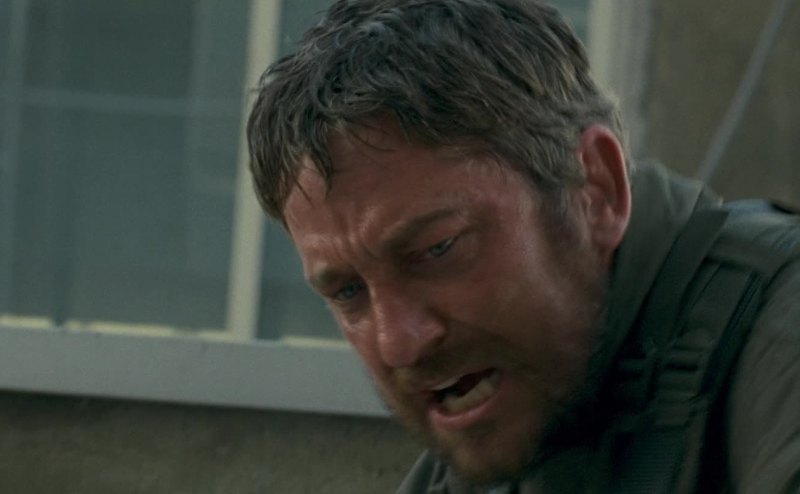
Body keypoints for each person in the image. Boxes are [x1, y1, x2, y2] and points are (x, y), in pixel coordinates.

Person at [246, 0, 800, 492]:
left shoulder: (776, 343)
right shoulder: (513, 417)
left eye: (438, 249)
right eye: (348, 292)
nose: (399, 344)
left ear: (595, 189)